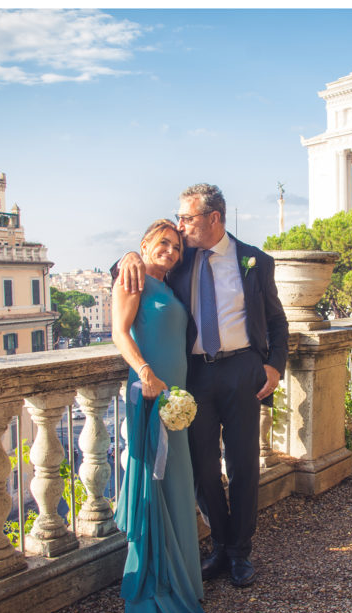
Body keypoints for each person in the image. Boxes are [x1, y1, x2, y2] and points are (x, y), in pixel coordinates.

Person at [117, 183, 289, 588]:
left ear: (214, 218)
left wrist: (275, 368)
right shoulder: (181, 258)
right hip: (195, 375)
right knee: (203, 468)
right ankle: (218, 545)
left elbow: (279, 322)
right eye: (178, 218)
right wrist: (125, 256)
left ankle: (240, 552)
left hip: (244, 371)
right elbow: (143, 266)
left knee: (245, 465)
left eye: (187, 218)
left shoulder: (255, 261)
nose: (180, 226)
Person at [111, 219, 220, 613]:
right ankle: (159, 593)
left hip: (177, 400)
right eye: (163, 244)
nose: (171, 251)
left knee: (177, 490)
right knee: (155, 492)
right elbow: (120, 332)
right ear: (142, 246)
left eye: (176, 246)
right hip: (152, 395)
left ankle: (183, 585)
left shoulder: (168, 285)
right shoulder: (132, 275)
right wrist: (146, 374)